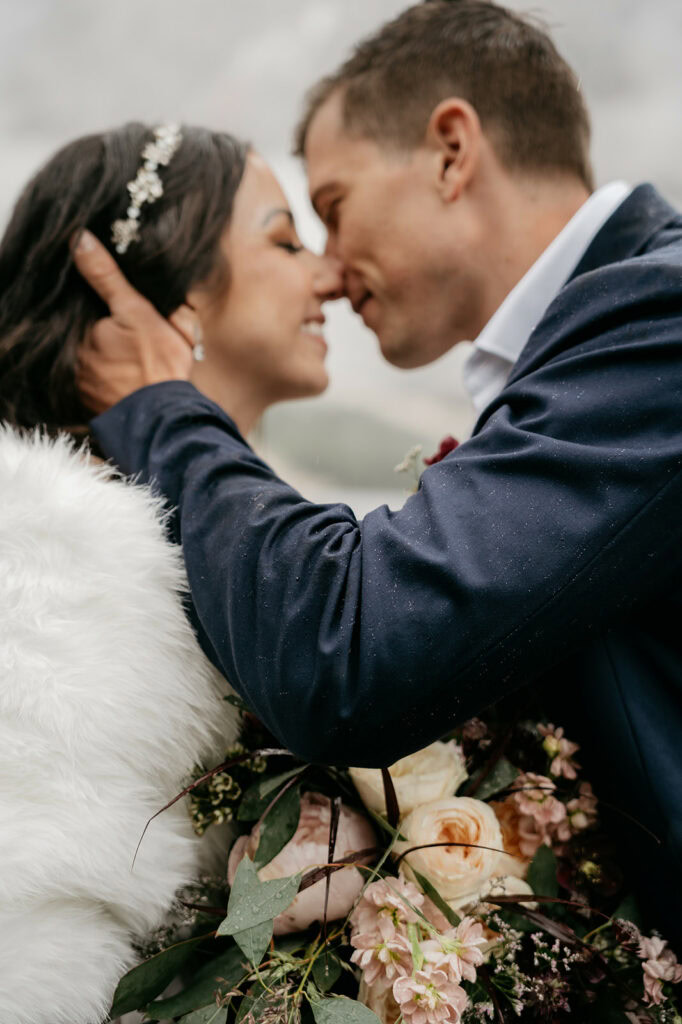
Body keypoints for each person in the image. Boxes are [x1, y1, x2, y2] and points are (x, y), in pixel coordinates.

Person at [74, 2, 682, 947]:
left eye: (333, 208)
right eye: (296, 235)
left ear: (450, 152)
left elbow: (354, 649)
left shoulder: (660, 315)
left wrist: (163, 408)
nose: (328, 267)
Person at [0, 121, 341, 1024]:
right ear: (174, 297)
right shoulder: (54, 554)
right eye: (285, 241)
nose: (330, 276)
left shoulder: (255, 551)